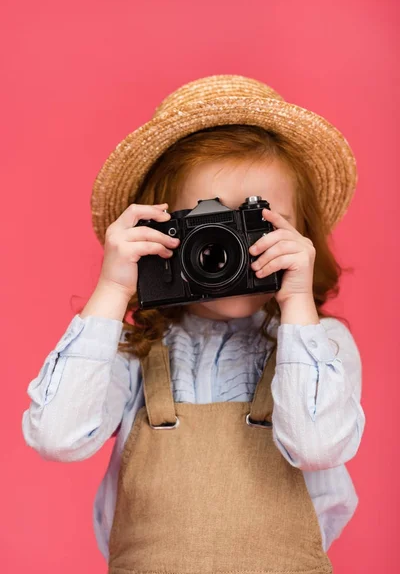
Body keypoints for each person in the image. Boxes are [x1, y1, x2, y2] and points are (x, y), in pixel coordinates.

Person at [22, 75, 366, 572]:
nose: (230, 252)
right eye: (207, 229)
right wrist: (114, 290)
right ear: (159, 233)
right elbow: (56, 436)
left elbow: (317, 447)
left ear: (303, 237)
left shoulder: (321, 346)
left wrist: (297, 308)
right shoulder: (134, 349)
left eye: (258, 226)